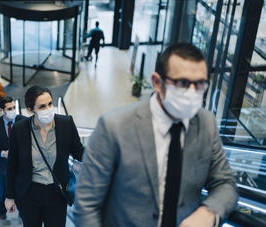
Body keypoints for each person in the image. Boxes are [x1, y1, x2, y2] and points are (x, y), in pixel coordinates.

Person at [73, 43, 238, 227]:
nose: (192, 92)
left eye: (200, 84)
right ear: (157, 83)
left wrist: (208, 212)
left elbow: (226, 184)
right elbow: (87, 205)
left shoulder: (206, 124)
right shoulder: (114, 128)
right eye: (182, 83)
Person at [5, 85, 84, 227]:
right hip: (29, 193)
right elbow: (12, 164)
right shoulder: (20, 129)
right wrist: (9, 196)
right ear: (30, 110)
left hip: (57, 192)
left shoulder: (66, 124)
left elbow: (79, 152)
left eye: (50, 104)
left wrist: (105, 158)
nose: (48, 109)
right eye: (42, 106)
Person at [0, 96, 26, 221]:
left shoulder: (23, 121)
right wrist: (2, 153)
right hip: (3, 166)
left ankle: (23, 212)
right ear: (2, 110)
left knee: (22, 189)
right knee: (2, 190)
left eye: (14, 107)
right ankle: (2, 212)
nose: (13, 110)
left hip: (21, 165)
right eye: (9, 108)